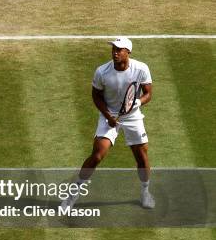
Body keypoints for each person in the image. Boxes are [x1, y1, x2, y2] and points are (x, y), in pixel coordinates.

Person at [60, 37, 154, 210]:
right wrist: (108, 116)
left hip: (132, 116)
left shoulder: (141, 68)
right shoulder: (102, 71)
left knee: (141, 155)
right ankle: (72, 197)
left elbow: (148, 93)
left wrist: (137, 103)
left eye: (119, 49)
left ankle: (145, 192)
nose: (115, 52)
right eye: (113, 49)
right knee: (97, 155)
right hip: (108, 115)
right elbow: (96, 95)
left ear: (128, 52)